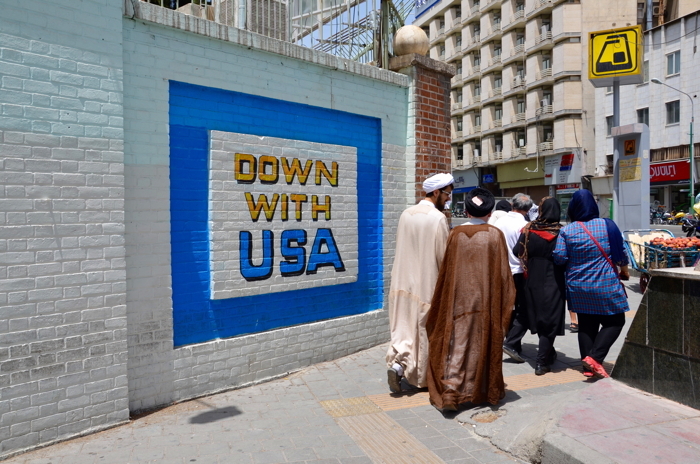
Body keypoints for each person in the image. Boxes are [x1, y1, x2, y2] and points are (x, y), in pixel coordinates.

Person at [426, 188, 515, 411]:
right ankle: (480, 389)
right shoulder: (494, 234)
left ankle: (450, 391)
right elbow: (503, 275)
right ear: (490, 212)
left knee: (457, 342)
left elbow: (446, 271)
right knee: (482, 342)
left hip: (457, 300)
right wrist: (506, 302)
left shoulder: (455, 234)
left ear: (466, 211)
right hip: (486, 301)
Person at [386, 173, 454, 392]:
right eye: (447, 194)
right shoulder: (437, 218)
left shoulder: (406, 214)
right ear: (436, 192)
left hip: (402, 281)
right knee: (423, 331)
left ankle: (398, 364)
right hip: (426, 282)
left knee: (403, 327)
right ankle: (421, 378)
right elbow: (443, 256)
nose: (448, 199)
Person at [553, 190, 630, 379]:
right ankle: (595, 358)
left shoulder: (566, 230)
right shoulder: (607, 225)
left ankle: (588, 367)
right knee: (615, 321)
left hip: (578, 285)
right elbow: (621, 254)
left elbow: (559, 257)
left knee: (587, 325)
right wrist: (625, 271)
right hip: (605, 284)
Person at [513, 197, 566, 376]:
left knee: (539, 318)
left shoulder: (529, 229)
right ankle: (541, 362)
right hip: (554, 279)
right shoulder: (561, 232)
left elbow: (517, 251)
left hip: (532, 279)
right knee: (550, 320)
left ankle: (548, 354)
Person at [494, 193, 533, 363]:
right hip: (519, 272)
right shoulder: (525, 225)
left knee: (509, 308)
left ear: (512, 204)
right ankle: (511, 342)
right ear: (528, 209)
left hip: (501, 271)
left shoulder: (498, 223)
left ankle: (513, 343)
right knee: (524, 309)